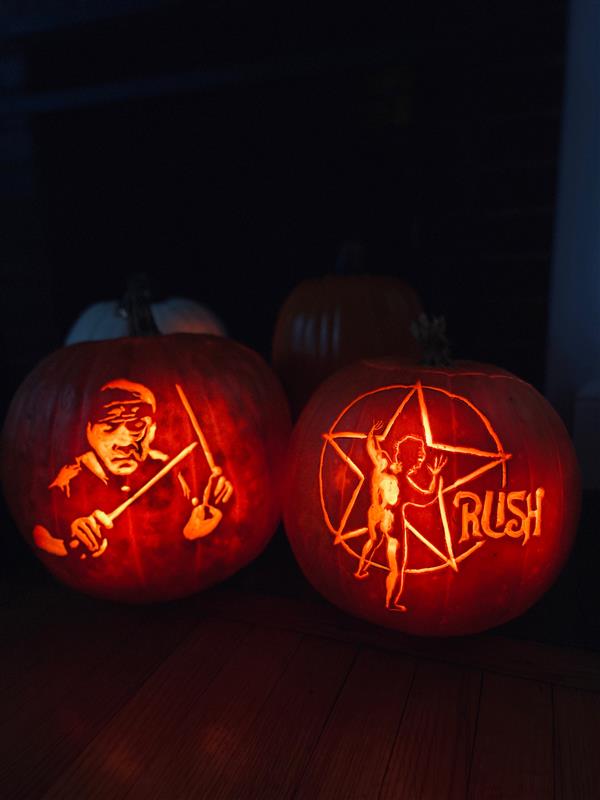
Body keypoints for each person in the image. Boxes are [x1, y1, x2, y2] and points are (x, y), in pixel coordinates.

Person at [33, 378, 233, 559]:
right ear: (89, 432)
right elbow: (39, 531)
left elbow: (179, 543)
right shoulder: (71, 478)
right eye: (110, 425)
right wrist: (67, 546)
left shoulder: (165, 470)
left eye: (137, 426)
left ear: (152, 431)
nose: (125, 442)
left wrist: (197, 527)